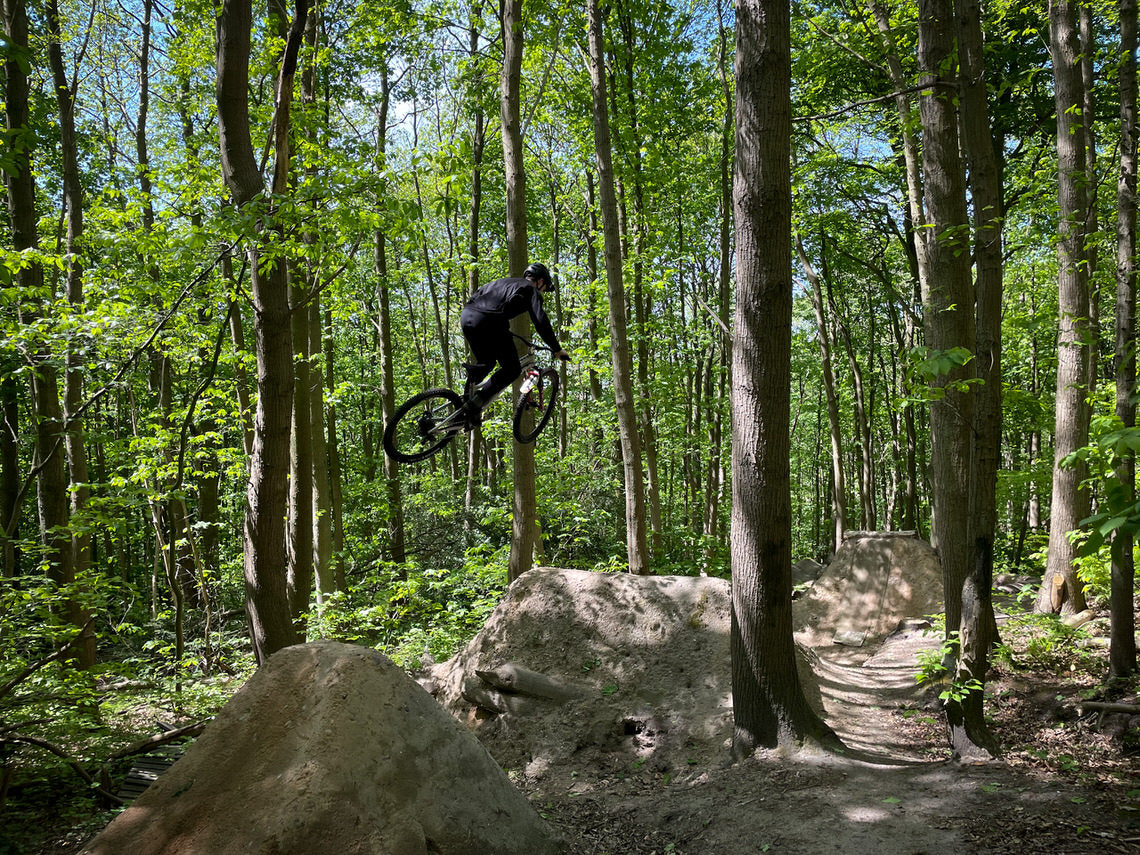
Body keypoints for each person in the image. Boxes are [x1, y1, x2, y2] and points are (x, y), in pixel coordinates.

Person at [459, 262, 570, 426]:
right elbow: (541, 321)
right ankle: (475, 405)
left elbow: (487, 301)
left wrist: (503, 326)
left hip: (467, 317)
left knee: (486, 363)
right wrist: (557, 349)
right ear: (540, 281)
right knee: (512, 369)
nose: (542, 292)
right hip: (489, 320)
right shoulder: (531, 289)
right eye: (544, 288)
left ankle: (463, 407)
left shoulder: (504, 283)